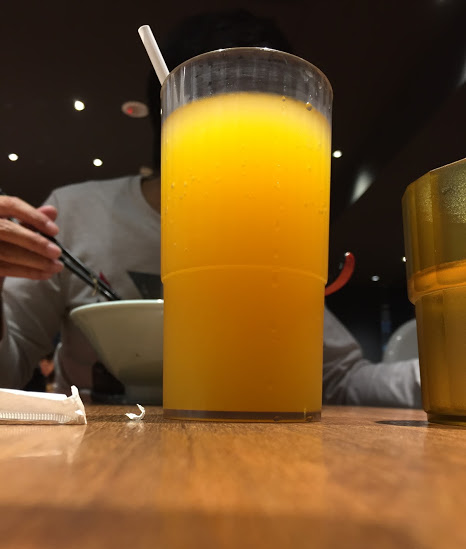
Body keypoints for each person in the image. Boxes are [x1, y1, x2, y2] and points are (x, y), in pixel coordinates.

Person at [0, 9, 421, 408]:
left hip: (249, 441)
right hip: (90, 447)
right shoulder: (72, 212)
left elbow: (340, 378)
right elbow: (9, 369)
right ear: (170, 113)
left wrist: (438, 376)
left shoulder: (273, 241)